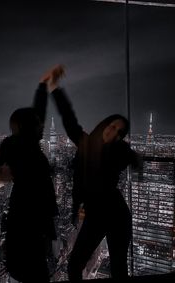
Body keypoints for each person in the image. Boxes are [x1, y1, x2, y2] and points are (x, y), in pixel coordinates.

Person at [48, 65, 140, 281]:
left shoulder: (119, 151)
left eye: (119, 131)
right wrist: (55, 89)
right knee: (73, 267)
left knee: (119, 267)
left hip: (117, 215)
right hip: (96, 214)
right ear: (105, 124)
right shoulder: (87, 144)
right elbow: (70, 121)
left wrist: (137, 160)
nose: (114, 130)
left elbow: (130, 157)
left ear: (120, 137)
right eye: (113, 125)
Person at [0, 67, 60, 283]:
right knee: (34, 267)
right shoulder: (16, 144)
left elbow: (38, 112)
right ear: (28, 126)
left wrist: (42, 87)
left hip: (31, 210)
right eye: (38, 124)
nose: (42, 126)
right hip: (29, 211)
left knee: (34, 263)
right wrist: (2, 174)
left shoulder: (25, 143)